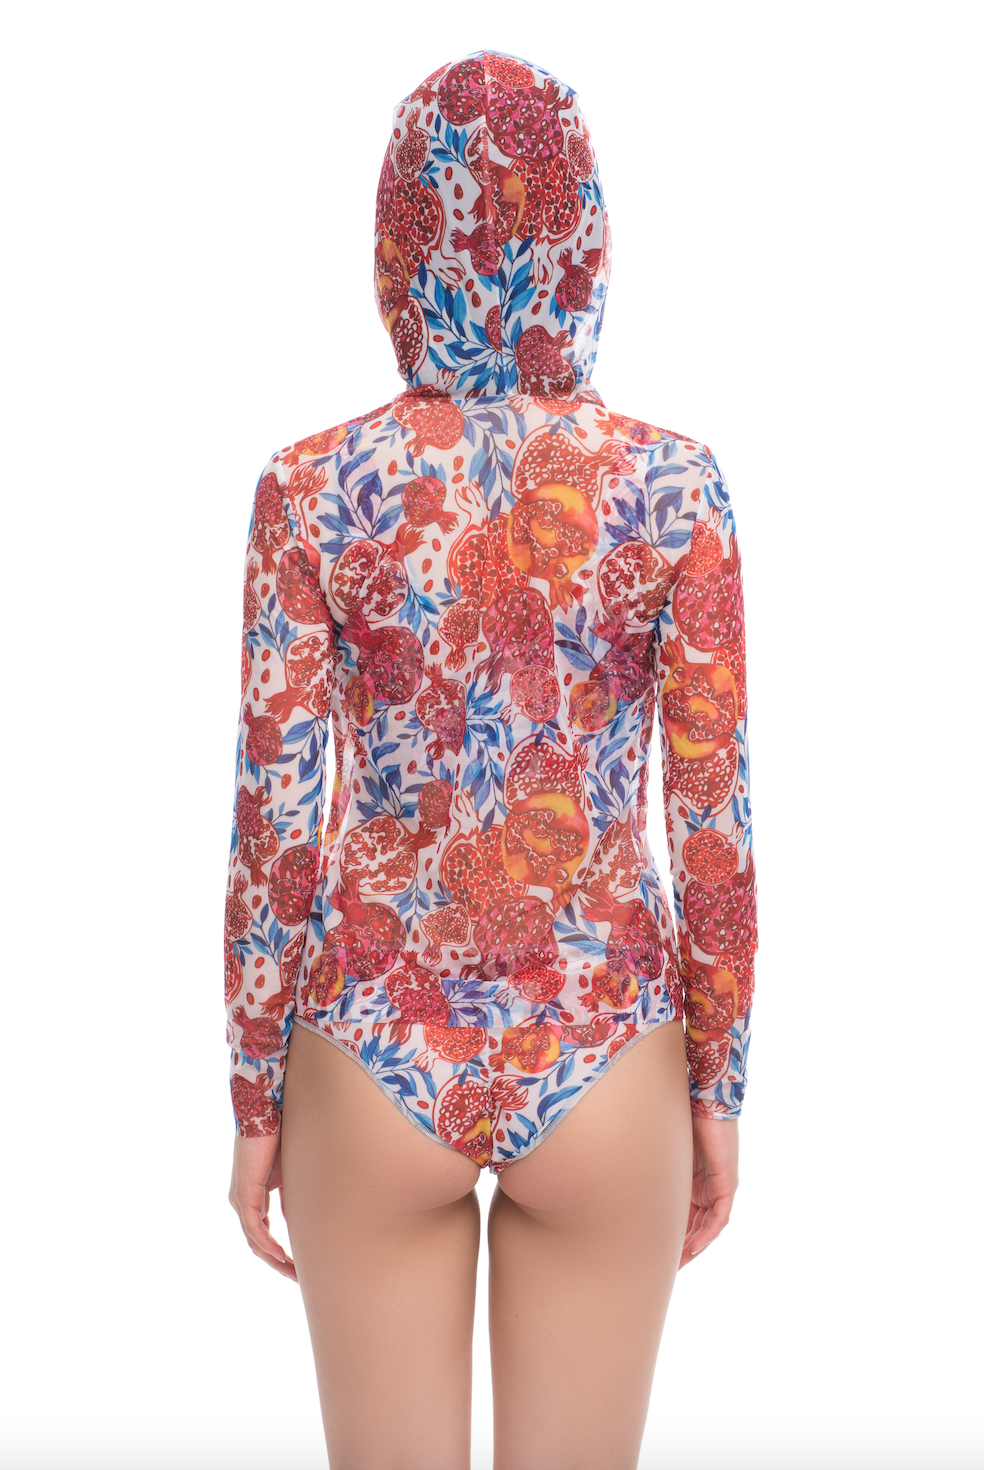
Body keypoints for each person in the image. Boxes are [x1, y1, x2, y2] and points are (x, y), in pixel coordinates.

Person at [224, 47, 757, 1470]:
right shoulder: (675, 487)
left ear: (396, 241)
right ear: (588, 235)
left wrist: (255, 1102)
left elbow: (276, 821)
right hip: (609, 1049)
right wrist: (717, 1093)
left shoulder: (309, 490)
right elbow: (713, 820)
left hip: (366, 1048)